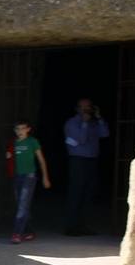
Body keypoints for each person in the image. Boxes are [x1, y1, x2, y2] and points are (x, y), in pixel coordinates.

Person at [62, 97, 109, 235]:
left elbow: (105, 133)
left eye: (88, 107)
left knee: (88, 194)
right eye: (83, 107)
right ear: (77, 109)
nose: (86, 110)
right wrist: (84, 123)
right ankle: (71, 227)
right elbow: (81, 140)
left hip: (91, 160)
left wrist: (99, 118)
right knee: (76, 193)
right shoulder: (72, 123)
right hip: (78, 161)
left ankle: (83, 226)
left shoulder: (94, 123)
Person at [7, 121, 51, 244]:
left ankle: (17, 233)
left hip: (29, 176)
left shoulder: (32, 142)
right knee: (21, 205)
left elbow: (41, 160)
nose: (20, 131)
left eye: (22, 128)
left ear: (28, 129)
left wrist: (45, 177)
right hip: (17, 176)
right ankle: (29, 231)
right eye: (17, 129)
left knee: (22, 205)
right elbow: (10, 159)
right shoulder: (13, 143)